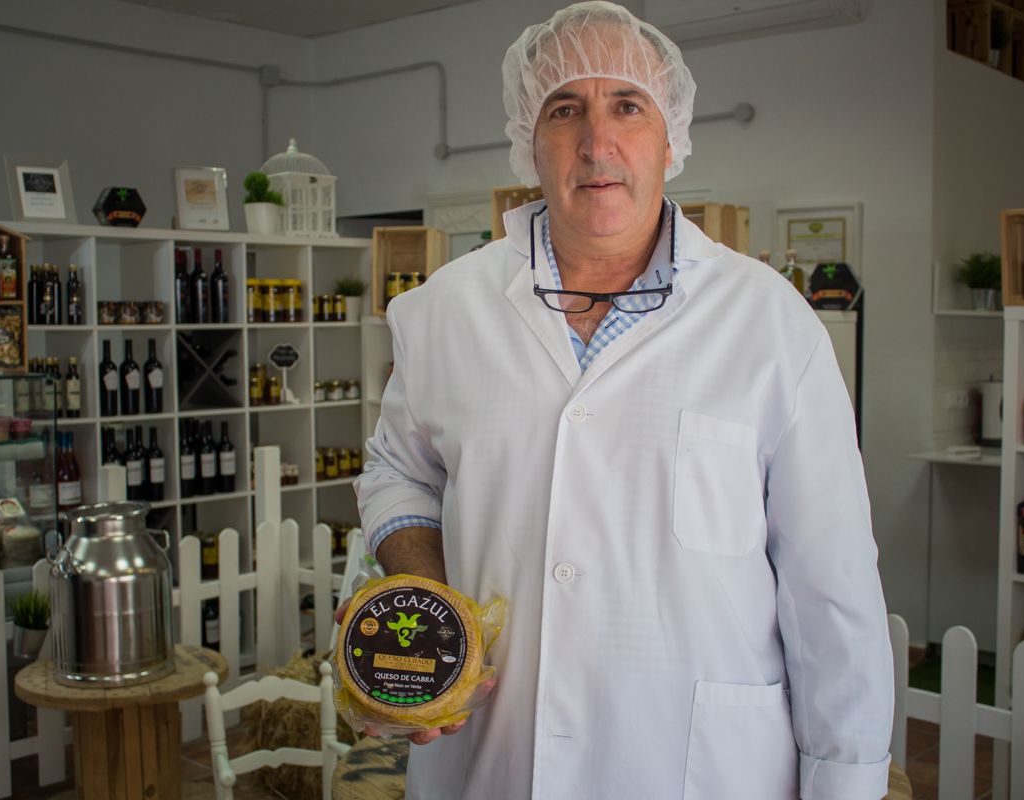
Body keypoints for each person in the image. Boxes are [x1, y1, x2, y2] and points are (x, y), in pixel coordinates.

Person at [353, 2, 894, 797]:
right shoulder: (444, 311)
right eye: (564, 108)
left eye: (627, 107)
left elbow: (832, 584)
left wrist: (847, 783)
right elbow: (397, 473)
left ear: (670, 138)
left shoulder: (770, 323)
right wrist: (427, 601)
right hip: (493, 762)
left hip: (698, 766)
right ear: (527, 141)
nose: (596, 142)